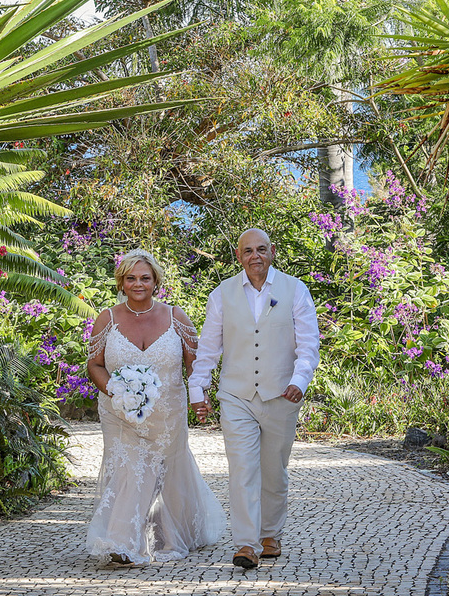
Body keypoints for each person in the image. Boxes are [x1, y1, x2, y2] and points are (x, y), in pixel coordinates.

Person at [189, 228, 321, 569]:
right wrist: (197, 388)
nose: (255, 256)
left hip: (282, 394)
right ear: (239, 256)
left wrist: (299, 381)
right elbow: (208, 347)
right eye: (248, 251)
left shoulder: (295, 290)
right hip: (237, 395)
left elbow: (308, 344)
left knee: (274, 471)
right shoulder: (222, 294)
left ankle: (270, 535)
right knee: (243, 469)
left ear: (272, 251)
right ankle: (246, 545)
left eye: (261, 249)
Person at [85, 249, 226, 566]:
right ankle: (123, 542)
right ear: (122, 282)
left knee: (166, 474)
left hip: (168, 414)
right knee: (128, 472)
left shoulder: (177, 318)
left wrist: (199, 398)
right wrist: (115, 389)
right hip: (119, 414)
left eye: (145, 278)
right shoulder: (107, 318)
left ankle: (167, 534)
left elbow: (195, 366)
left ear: (155, 281)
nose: (138, 284)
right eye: (131, 278)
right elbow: (94, 365)